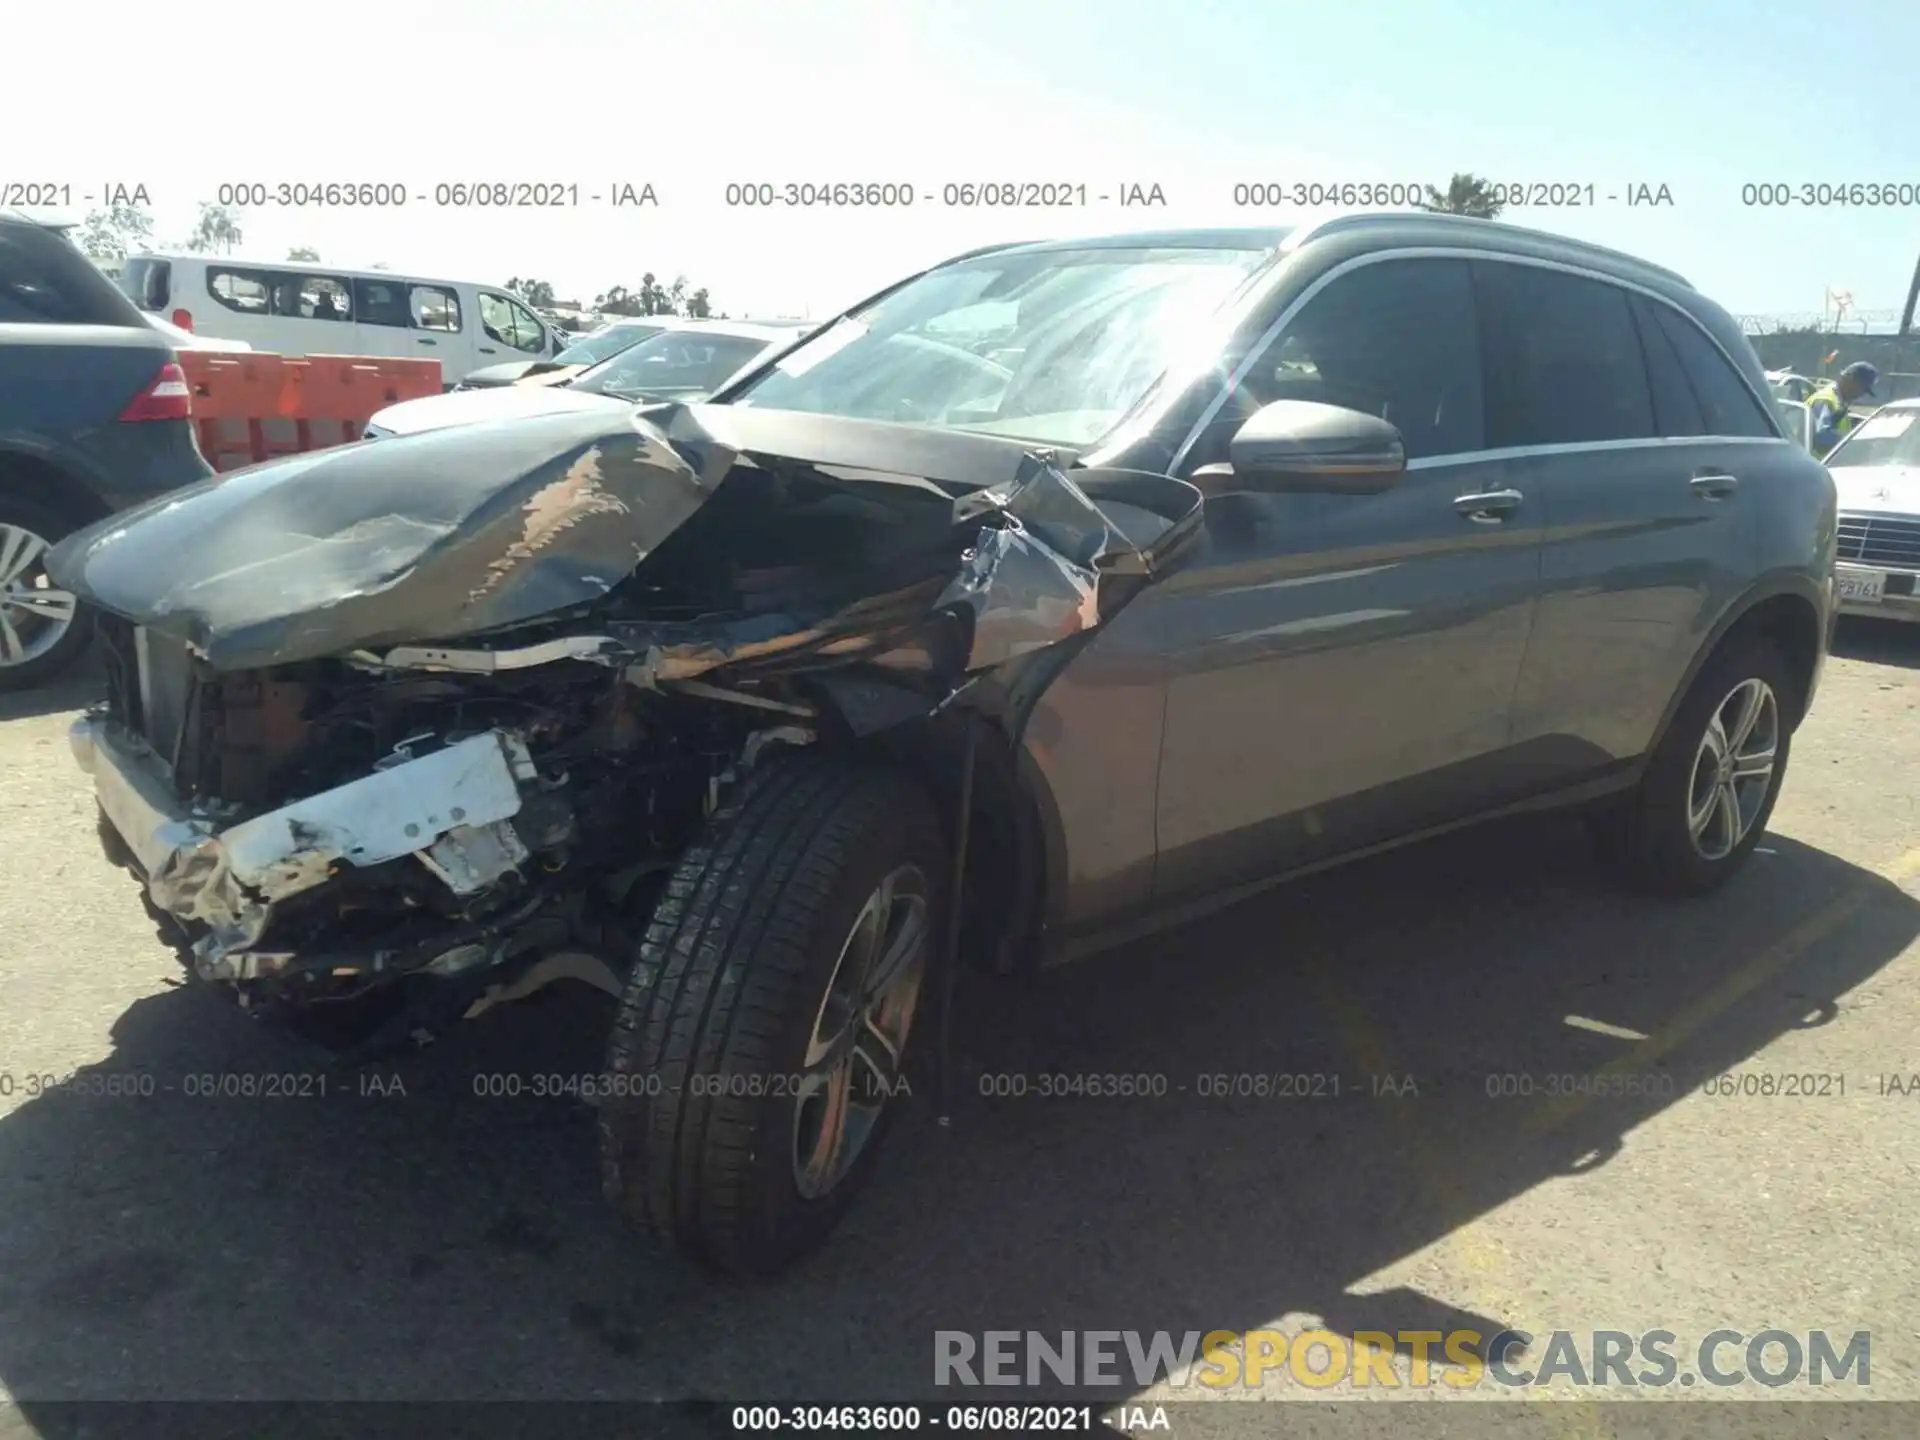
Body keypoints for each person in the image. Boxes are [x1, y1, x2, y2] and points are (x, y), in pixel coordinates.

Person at [1808, 361, 1879, 459]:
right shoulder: (1825, 400)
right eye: (1862, 389)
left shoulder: (1839, 403)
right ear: (1850, 379)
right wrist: (1854, 442)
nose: (1862, 395)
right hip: (1816, 467)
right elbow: (1820, 438)